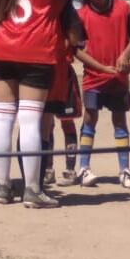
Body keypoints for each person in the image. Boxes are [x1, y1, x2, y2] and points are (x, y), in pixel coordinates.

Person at [0, 0, 81, 209]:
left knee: (2, 118)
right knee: (29, 121)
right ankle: (31, 190)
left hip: (1, 47)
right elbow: (66, 7)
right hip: (35, 50)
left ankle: (3, 187)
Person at [75, 0, 130, 189]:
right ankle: (83, 168)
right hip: (93, 79)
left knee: (120, 121)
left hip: (118, 79)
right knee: (89, 119)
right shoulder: (81, 15)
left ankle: (125, 170)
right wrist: (101, 68)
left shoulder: (123, 8)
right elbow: (76, 49)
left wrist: (125, 54)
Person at [40, 40, 83, 187]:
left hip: (64, 77)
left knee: (67, 121)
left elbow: (79, 47)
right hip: (46, 74)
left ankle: (70, 170)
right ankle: (47, 169)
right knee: (47, 124)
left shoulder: (66, 23)